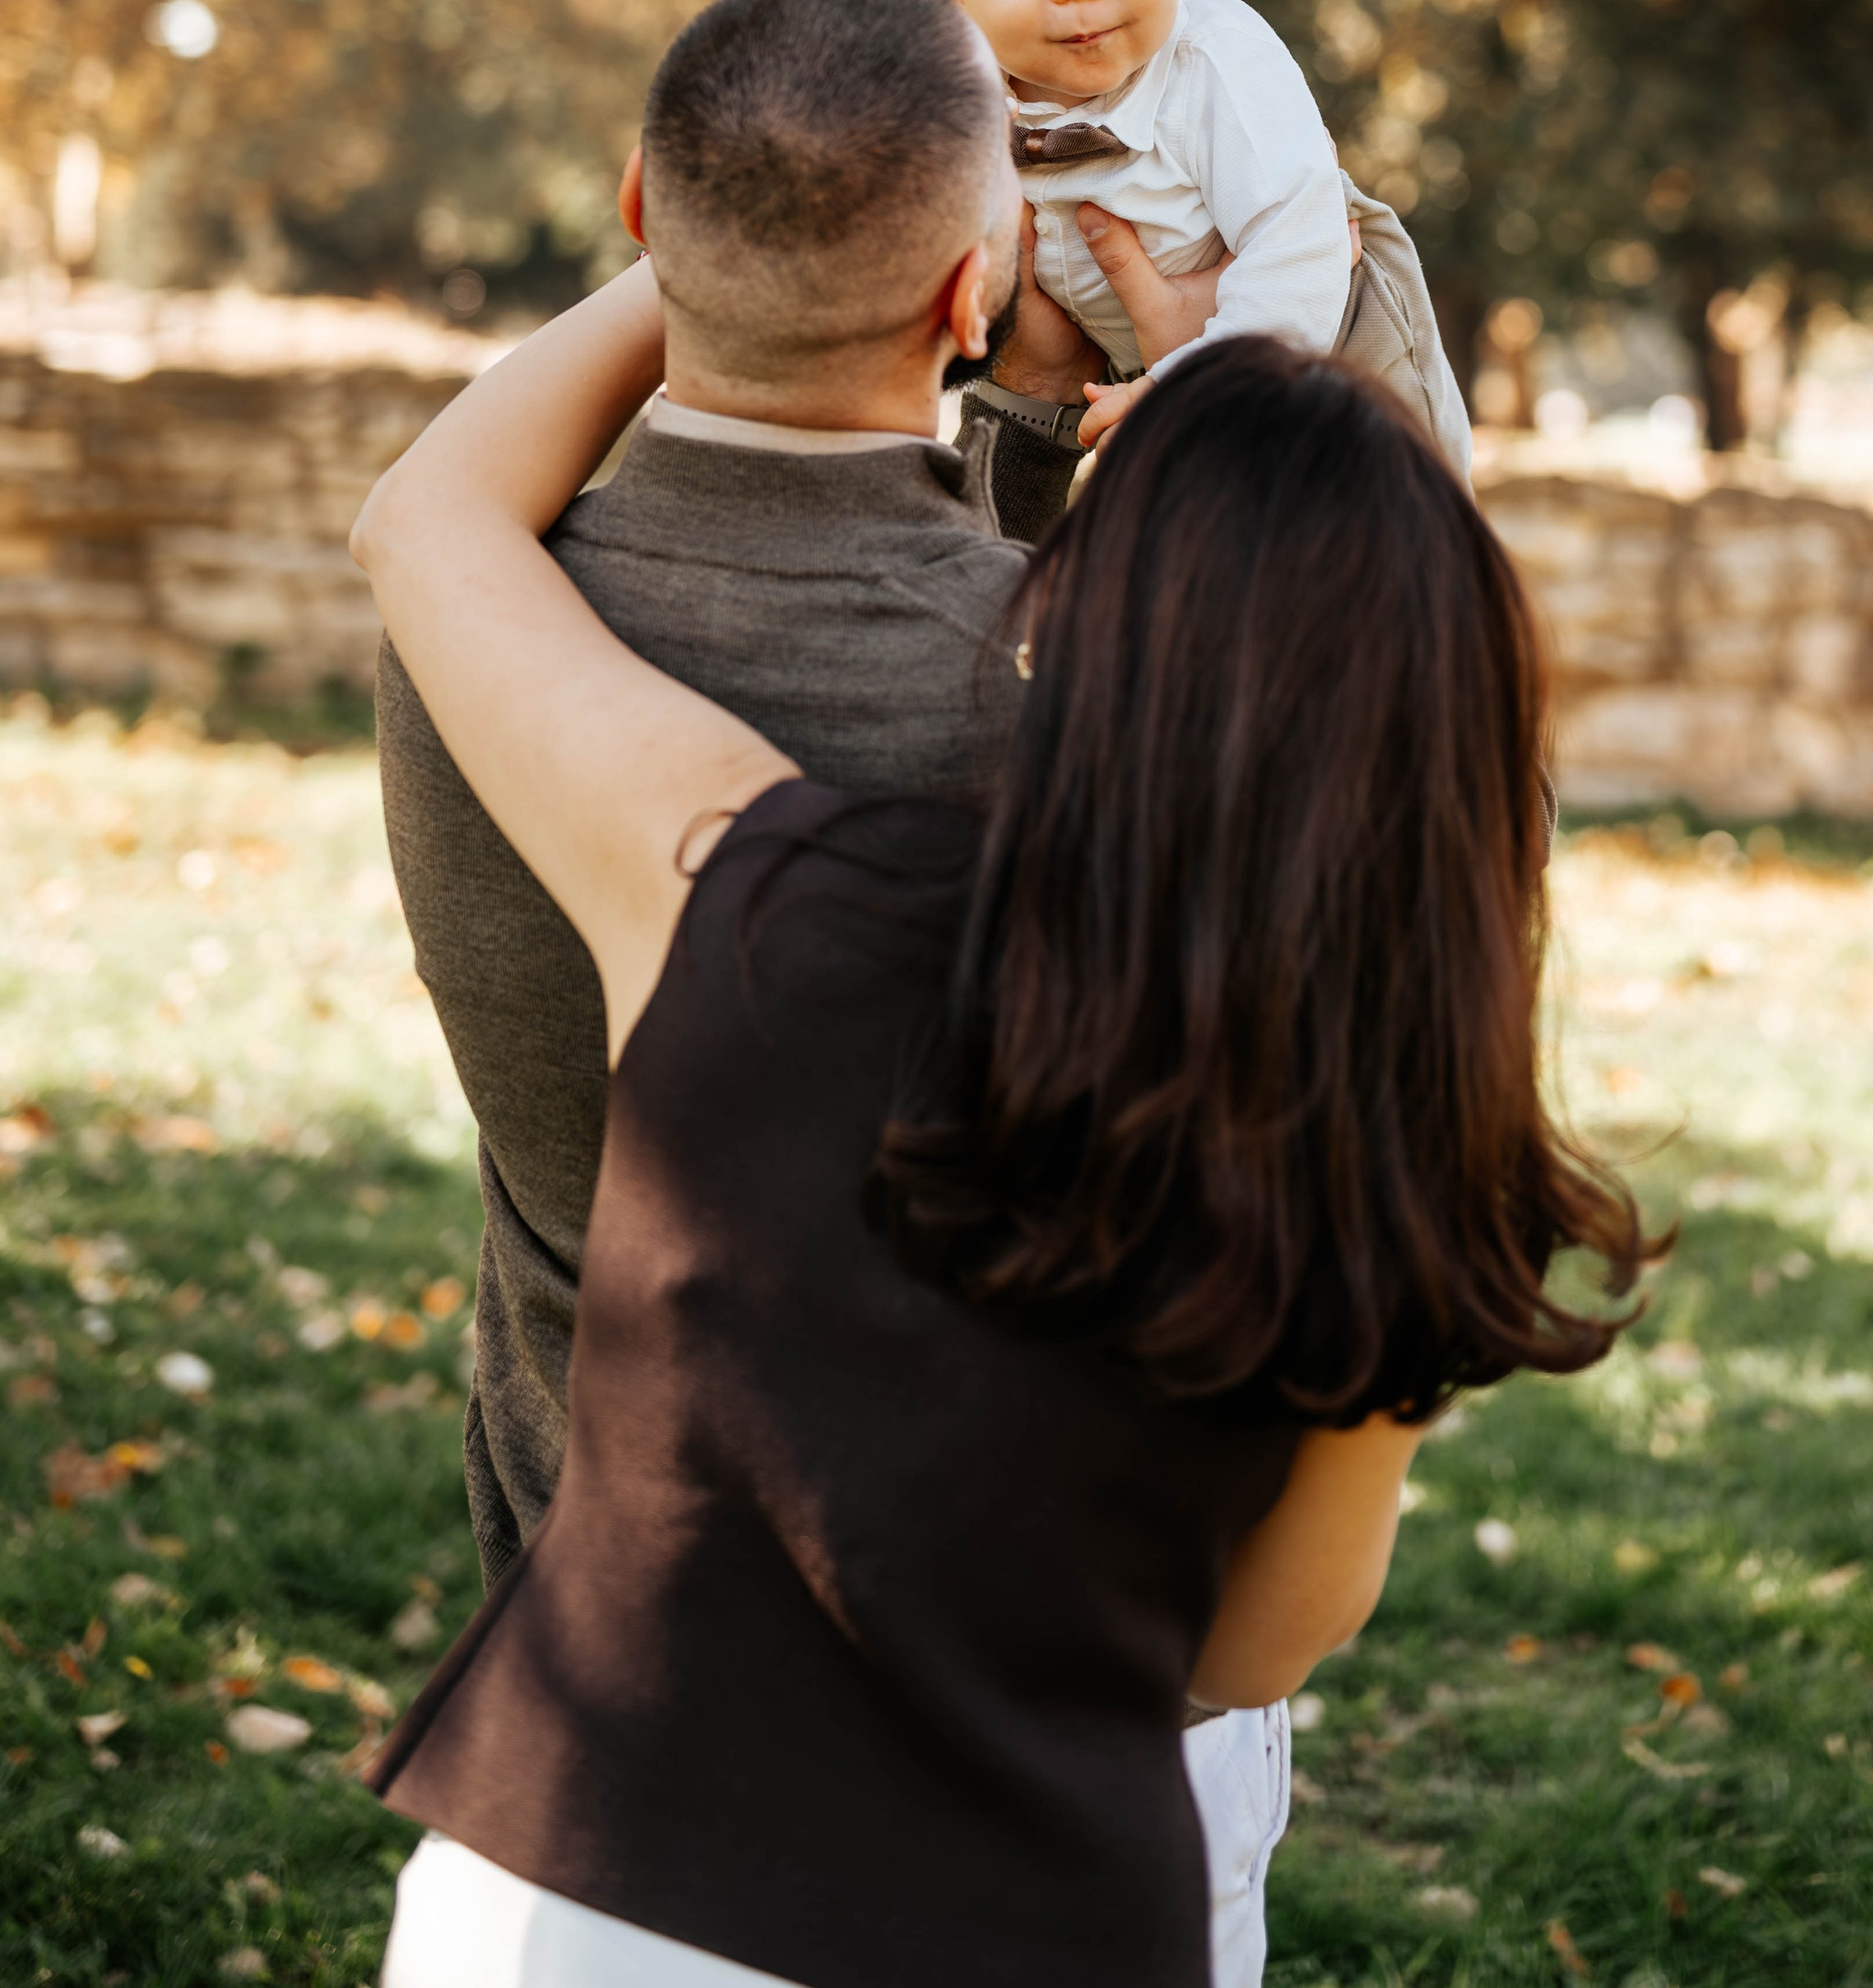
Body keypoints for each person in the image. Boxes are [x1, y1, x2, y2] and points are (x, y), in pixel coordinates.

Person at [353, 252, 1643, 1988]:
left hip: (592, 1889)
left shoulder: (756, 890)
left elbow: (429, 519)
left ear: (1068, 627)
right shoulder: (1390, 1135)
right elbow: (1259, 1645)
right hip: (1046, 1919)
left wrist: (761, 243)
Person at [373, 0, 1284, 1976]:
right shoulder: (1077, 717)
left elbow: (447, 499)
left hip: (589, 1683)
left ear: (637, 209)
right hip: (1007, 1727)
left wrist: (747, 239)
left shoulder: (469, 618)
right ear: (972, 287)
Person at [909, 0, 1473, 473]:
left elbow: (1299, 246)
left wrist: (1188, 386)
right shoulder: (965, 112)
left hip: (1337, 341)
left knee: (1392, 519)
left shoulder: (1213, 60)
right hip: (1162, 380)